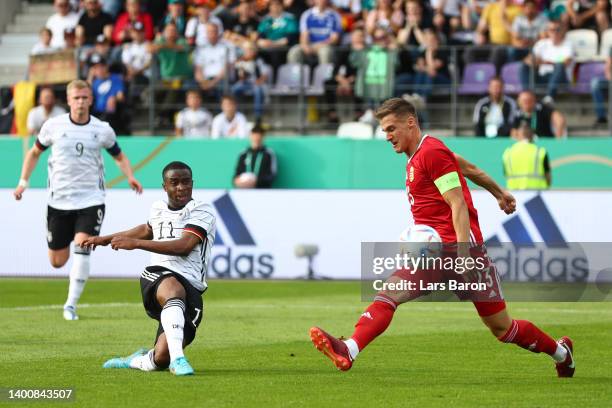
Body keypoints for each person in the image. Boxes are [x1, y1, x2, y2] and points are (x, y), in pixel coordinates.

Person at [309, 97, 575, 378]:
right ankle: (349, 348)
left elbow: (457, 203)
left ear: (410, 122)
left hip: (461, 251)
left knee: (503, 328)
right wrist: (499, 193)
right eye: (384, 131)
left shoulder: (431, 153)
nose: (387, 137)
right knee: (389, 294)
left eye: (391, 129)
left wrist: (462, 256)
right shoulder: (426, 153)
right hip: (434, 252)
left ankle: (561, 353)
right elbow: (469, 169)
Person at [13, 80, 143, 321]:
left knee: (82, 247)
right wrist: (23, 182)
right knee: (57, 261)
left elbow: (119, 156)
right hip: (59, 201)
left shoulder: (102, 129)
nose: (81, 102)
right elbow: (34, 153)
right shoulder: (53, 126)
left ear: (91, 100)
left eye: (85, 97)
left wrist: (130, 176)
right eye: (77, 98)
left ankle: (70, 305)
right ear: (69, 101)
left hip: (91, 199)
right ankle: (70, 267)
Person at [82, 161, 216, 376]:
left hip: (191, 284)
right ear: (165, 186)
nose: (181, 187)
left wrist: (135, 244)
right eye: (174, 183)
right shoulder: (158, 207)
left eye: (186, 182)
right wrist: (105, 239)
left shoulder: (201, 210)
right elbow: (147, 229)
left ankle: (137, 360)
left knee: (161, 357)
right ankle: (179, 360)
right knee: (173, 289)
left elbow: (184, 246)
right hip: (158, 274)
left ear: (193, 183)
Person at [520, 21, 573, 104]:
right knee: (523, 67)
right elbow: (528, 60)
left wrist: (541, 61)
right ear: (547, 31)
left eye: (557, 29)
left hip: (561, 79)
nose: (555, 32)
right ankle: (527, 94)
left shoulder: (568, 44)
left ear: (562, 31)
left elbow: (566, 62)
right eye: (552, 30)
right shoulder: (542, 43)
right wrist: (545, 62)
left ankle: (549, 97)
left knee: (559, 66)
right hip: (543, 76)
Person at [287, 0, 342, 65]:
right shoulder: (307, 14)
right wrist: (305, 46)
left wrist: (321, 45)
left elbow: (335, 39)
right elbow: (304, 35)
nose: (321, 1)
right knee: (294, 51)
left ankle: (324, 74)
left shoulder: (334, 15)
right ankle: (296, 74)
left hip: (326, 46)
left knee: (324, 52)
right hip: (310, 45)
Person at [502, 122, 551, 189]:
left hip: (514, 194)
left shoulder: (507, 153)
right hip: (537, 193)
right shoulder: (541, 152)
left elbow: (506, 175)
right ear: (533, 136)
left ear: (518, 135)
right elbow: (548, 177)